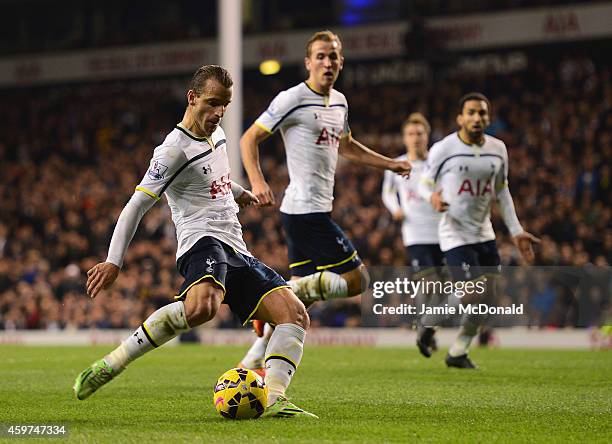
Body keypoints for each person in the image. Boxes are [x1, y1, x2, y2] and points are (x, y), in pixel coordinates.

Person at [73, 65, 317, 418]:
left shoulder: (216, 136)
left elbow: (214, 180)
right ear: (192, 98)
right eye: (213, 103)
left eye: (225, 105)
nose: (219, 113)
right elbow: (136, 205)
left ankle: (276, 398)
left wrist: (240, 193)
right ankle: (114, 362)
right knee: (203, 306)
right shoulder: (172, 150)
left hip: (235, 245)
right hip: (201, 241)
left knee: (295, 314)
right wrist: (114, 261)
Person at [237, 30, 412, 373]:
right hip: (305, 212)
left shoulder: (340, 102)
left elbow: (347, 145)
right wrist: (257, 181)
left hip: (311, 210)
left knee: (302, 305)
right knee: (358, 280)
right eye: (320, 56)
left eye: (333, 56)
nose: (327, 62)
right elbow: (249, 139)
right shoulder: (293, 98)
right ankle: (278, 294)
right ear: (308, 62)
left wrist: (390, 163)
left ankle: (252, 362)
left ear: (341, 62)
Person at [419, 92, 540, 368]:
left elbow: (502, 191)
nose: (477, 117)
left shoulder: (498, 149)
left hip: (484, 234)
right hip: (455, 233)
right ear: (460, 118)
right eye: (471, 112)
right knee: (473, 291)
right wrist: (432, 197)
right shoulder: (444, 148)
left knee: (487, 298)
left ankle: (458, 352)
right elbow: (424, 182)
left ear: (488, 117)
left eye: (482, 113)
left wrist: (516, 230)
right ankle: (429, 322)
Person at [381, 112, 443, 358]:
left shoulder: (436, 165)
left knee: (442, 289)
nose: (415, 138)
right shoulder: (397, 164)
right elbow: (387, 193)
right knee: (429, 283)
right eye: (411, 134)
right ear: (404, 138)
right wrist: (396, 209)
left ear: (427, 136)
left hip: (443, 232)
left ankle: (428, 327)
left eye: (420, 133)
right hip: (415, 233)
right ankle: (424, 325)